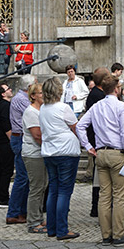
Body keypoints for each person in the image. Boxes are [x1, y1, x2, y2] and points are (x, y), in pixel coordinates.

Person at [77, 75, 124, 246]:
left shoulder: (96, 106)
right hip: (117, 153)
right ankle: (118, 234)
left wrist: (88, 146)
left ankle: (106, 234)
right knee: (119, 196)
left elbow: (80, 126)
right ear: (116, 89)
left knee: (104, 195)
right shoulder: (122, 106)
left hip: (101, 153)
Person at [39, 77, 81, 240]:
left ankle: (52, 228)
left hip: (49, 151)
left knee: (53, 190)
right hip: (66, 151)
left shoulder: (43, 108)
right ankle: (62, 229)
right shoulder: (63, 108)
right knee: (64, 191)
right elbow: (76, 127)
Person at [6, 74, 37, 225]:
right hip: (20, 138)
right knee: (22, 177)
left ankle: (22, 211)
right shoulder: (21, 99)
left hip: (22, 138)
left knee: (25, 177)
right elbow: (34, 112)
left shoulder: (23, 98)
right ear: (30, 87)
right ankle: (13, 212)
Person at [84, 67, 110, 213]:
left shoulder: (96, 94)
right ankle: (96, 205)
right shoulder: (98, 96)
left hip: (96, 139)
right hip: (98, 140)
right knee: (99, 175)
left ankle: (97, 205)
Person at [21, 83, 47, 234]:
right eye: (41, 93)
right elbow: (37, 135)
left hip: (41, 153)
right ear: (33, 96)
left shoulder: (42, 110)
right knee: (36, 187)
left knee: (42, 186)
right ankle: (33, 221)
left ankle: (38, 216)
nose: (44, 95)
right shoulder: (31, 112)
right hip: (33, 153)